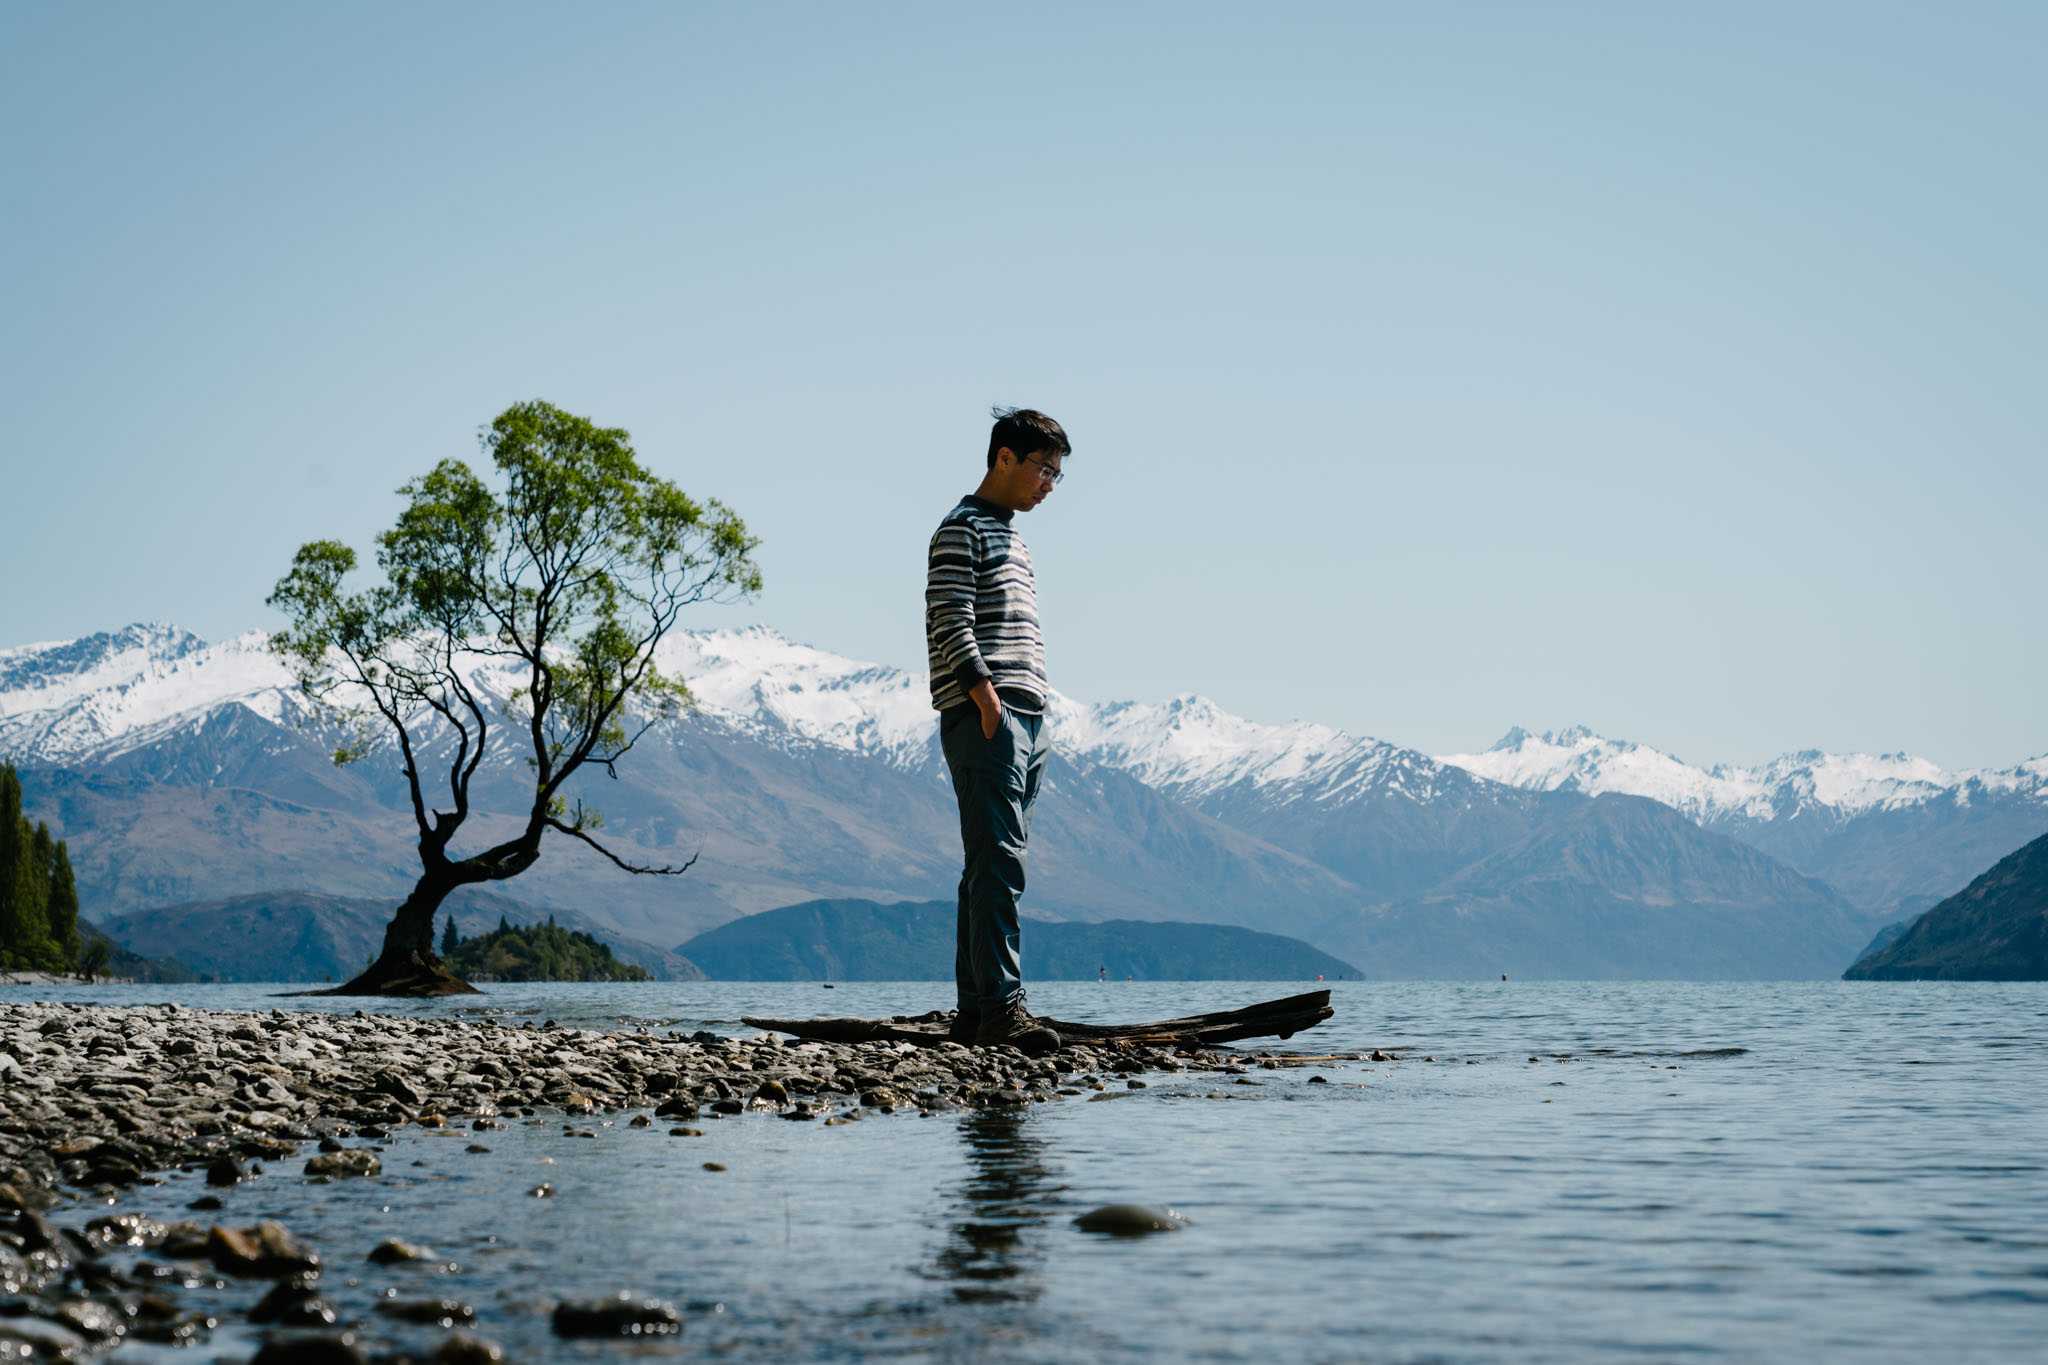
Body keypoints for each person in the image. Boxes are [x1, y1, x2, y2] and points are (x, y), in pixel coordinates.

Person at [926, 406, 1069, 1053]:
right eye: (1044, 469)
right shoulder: (961, 530)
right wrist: (986, 701)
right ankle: (1003, 1010)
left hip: (1027, 717)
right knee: (1000, 864)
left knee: (989, 864)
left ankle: (974, 1011)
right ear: (1004, 458)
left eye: (1057, 475)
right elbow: (950, 619)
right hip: (990, 713)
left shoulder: (1016, 540)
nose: (1048, 484)